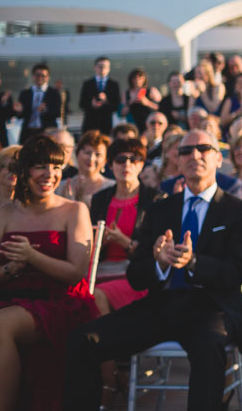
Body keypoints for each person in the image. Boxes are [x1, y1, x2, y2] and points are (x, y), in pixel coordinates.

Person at [64, 129, 242, 411]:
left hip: (212, 307)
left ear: (218, 158)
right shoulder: (160, 209)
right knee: (83, 341)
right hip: (162, 305)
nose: (195, 155)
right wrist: (158, 263)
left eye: (204, 148)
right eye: (187, 151)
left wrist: (193, 262)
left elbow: (235, 273)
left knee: (209, 348)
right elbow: (135, 276)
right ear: (177, 161)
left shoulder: (238, 211)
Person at [0, 135, 98, 411]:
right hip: (9, 295)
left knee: (1, 324)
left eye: (56, 167)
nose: (49, 175)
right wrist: (9, 269)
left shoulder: (74, 210)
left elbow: (75, 273)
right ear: (24, 170)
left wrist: (32, 256)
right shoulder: (4, 213)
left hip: (59, 302)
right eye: (40, 166)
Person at [89, 137, 161, 407]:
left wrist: (125, 243)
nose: (127, 164)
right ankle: (109, 377)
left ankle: (108, 384)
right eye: (120, 159)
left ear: (142, 164)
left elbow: (155, 252)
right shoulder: (100, 199)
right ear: (111, 164)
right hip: (100, 271)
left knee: (95, 298)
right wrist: (98, 241)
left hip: (134, 277)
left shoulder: (154, 200)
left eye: (134, 159)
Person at [55, 131, 114, 210]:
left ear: (105, 160)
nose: (91, 158)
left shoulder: (112, 188)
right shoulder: (60, 187)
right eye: (87, 153)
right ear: (77, 154)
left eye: (98, 154)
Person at [15, 63, 62, 143]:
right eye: (37, 75)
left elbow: (57, 113)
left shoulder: (54, 93)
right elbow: (21, 116)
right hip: (28, 132)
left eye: (43, 76)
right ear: (33, 76)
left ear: (48, 77)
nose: (40, 78)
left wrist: (45, 110)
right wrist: (19, 111)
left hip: (46, 132)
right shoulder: (25, 93)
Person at [80, 56, 121, 134]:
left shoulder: (114, 85)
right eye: (100, 66)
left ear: (109, 68)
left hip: (106, 125)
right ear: (95, 67)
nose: (103, 69)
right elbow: (82, 104)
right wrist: (92, 104)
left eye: (105, 67)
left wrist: (106, 102)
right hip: (90, 124)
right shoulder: (87, 84)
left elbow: (116, 106)